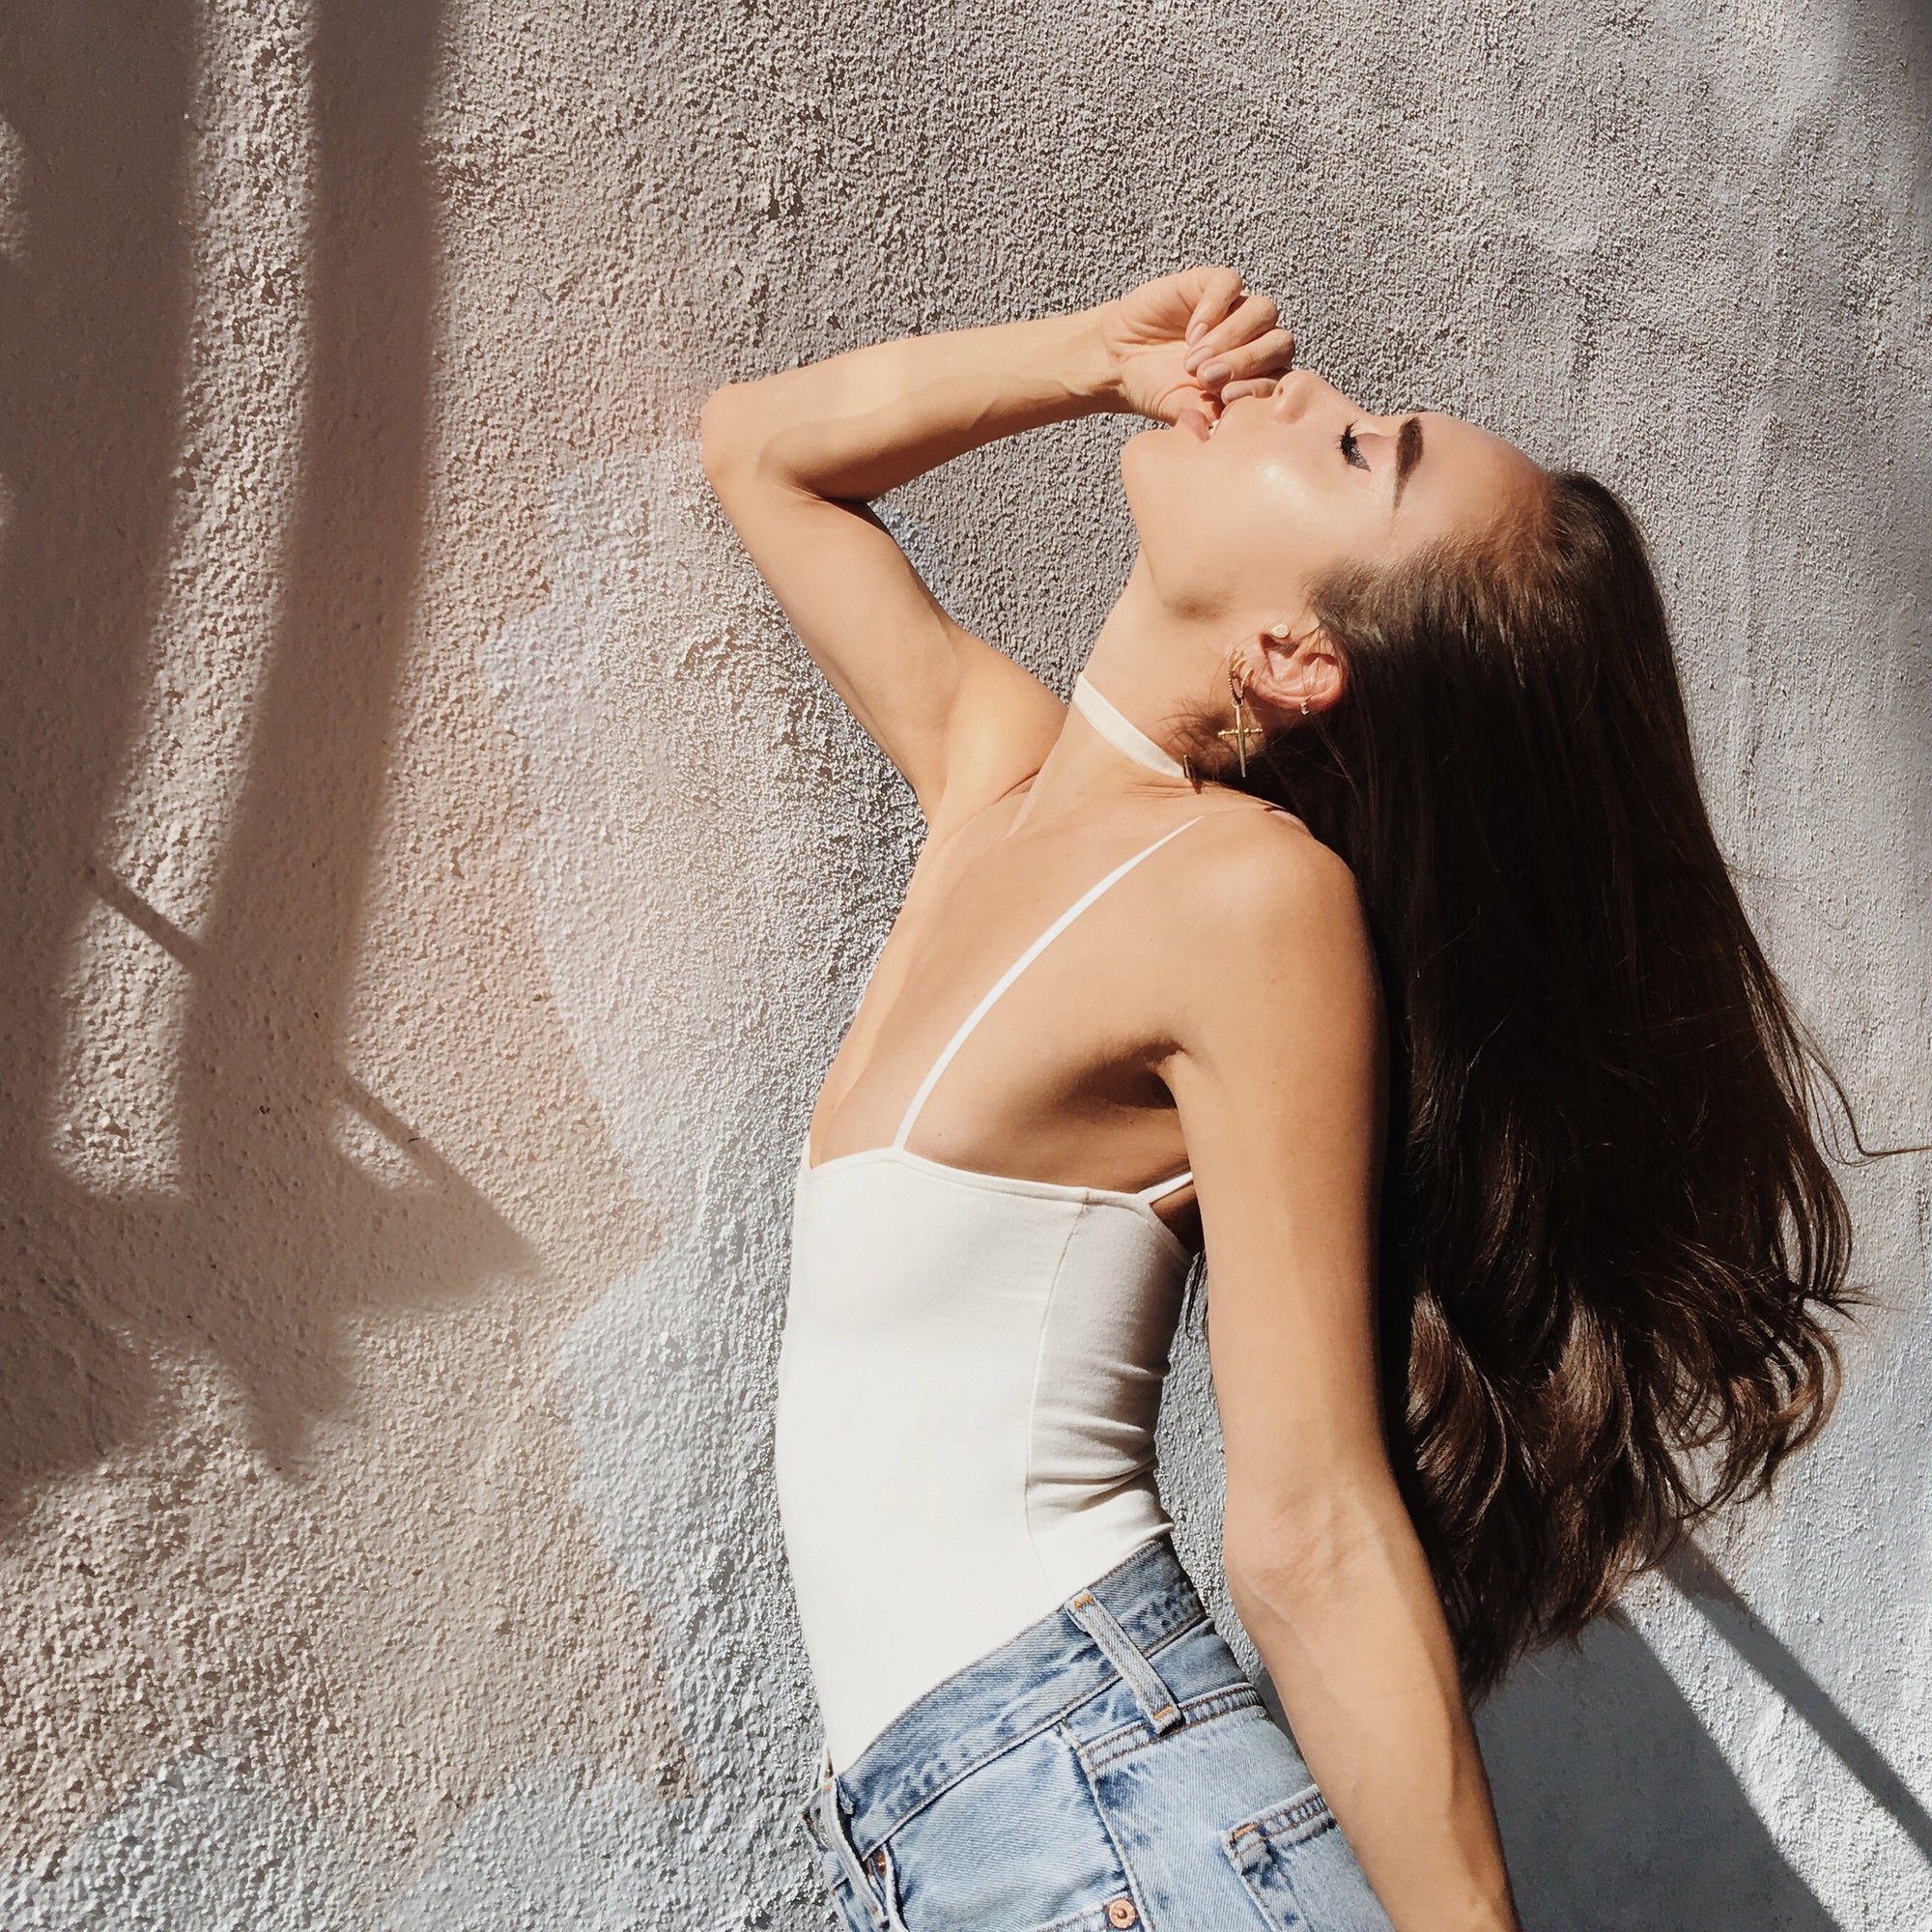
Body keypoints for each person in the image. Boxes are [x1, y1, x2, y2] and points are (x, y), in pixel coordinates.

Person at [699, 265, 1853, 1932]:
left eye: (1361, 449)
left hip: (1106, 1812)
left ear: (1294, 654)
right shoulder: (993, 779)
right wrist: (1086, 353)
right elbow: (760, 451)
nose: (1303, 389)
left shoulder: (1252, 901)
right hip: (973, 1825)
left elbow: (1310, 1525)